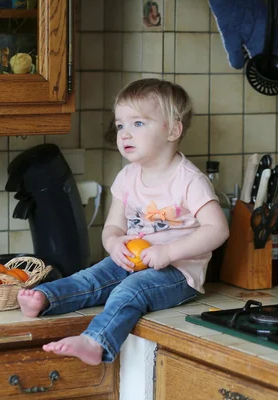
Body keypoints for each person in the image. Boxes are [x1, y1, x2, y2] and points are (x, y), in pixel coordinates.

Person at [17, 78, 230, 365]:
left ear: (173, 130)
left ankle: (97, 341)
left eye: (138, 124)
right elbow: (113, 227)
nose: (125, 134)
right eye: (120, 126)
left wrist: (168, 253)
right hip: (132, 260)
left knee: (131, 290)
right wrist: (114, 242)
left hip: (179, 274)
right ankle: (44, 298)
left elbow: (218, 229)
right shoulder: (128, 177)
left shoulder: (190, 181)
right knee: (91, 277)